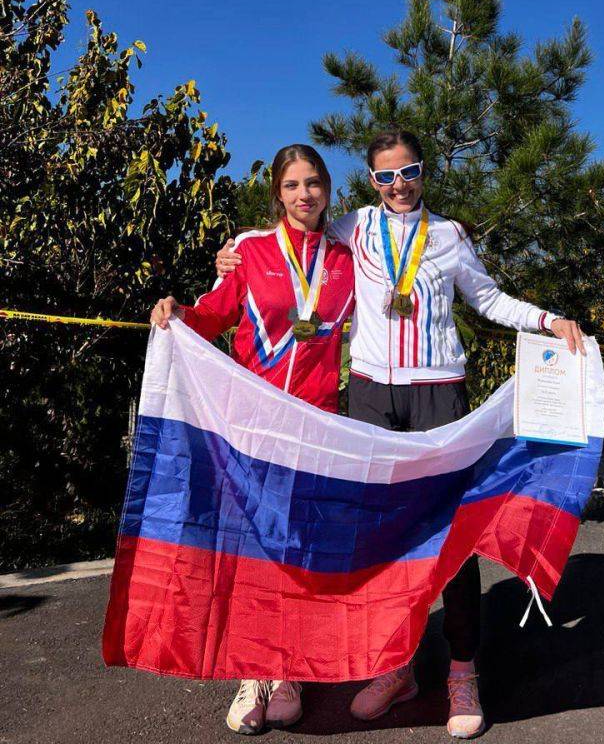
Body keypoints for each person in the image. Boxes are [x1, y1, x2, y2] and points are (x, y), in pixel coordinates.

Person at [216, 129, 585, 739]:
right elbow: (286, 239)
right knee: (383, 543)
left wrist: (549, 320)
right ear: (370, 182)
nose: (398, 185)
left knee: (453, 538)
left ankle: (462, 671)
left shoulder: (449, 237)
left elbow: (489, 300)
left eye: (407, 171)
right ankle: (399, 665)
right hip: (369, 397)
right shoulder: (352, 228)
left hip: (439, 393)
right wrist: (233, 251)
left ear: (422, 170)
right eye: (385, 176)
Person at [151, 144, 354, 734]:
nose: (304, 195)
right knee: (247, 547)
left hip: (314, 423)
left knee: (294, 547)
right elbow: (216, 314)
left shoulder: (346, 257)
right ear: (277, 193)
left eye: (313, 184)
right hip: (250, 422)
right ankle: (250, 671)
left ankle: (287, 667)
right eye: (292, 185)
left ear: (326, 190)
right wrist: (180, 312)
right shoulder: (250, 250)